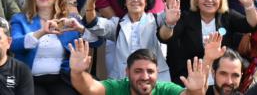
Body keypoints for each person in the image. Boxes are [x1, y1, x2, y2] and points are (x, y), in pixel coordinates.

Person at [84, 0, 180, 81]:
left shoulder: (156, 20)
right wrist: (91, 1)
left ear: (146, 1)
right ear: (125, 2)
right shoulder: (117, 25)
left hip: (155, 82)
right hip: (124, 83)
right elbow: (93, 23)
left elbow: (172, 10)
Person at [165, 0, 257, 82]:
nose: (209, 0)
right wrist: (169, 24)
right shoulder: (186, 18)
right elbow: (165, 37)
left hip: (224, 78)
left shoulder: (227, 16)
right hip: (193, 77)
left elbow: (251, 25)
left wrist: (248, 5)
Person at [11, 0, 84, 95]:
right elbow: (14, 45)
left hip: (61, 79)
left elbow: (96, 42)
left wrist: (81, 29)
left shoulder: (69, 20)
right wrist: (42, 32)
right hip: (29, 79)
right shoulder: (20, 19)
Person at [69, 40, 210, 95]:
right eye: (138, 71)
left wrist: (196, 91)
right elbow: (88, 88)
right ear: (127, 72)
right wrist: (77, 72)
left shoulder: (166, 90)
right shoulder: (117, 88)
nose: (145, 77)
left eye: (150, 71)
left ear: (157, 72)